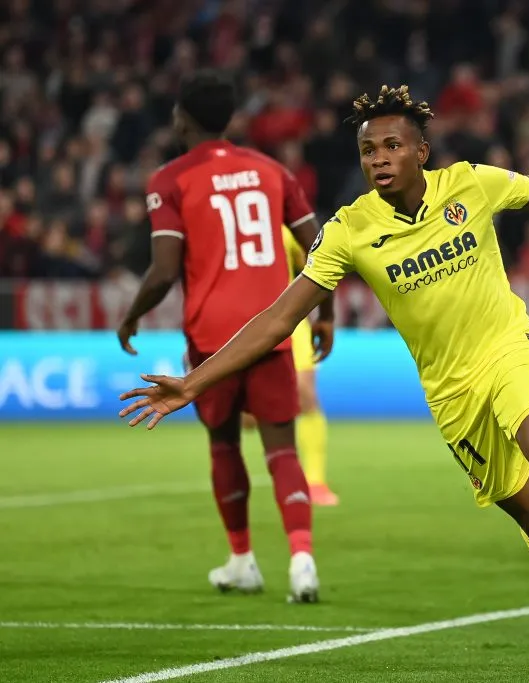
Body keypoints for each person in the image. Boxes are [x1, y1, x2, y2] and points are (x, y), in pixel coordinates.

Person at [119, 85, 529, 674]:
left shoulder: (471, 184)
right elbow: (280, 317)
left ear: (421, 151)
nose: (379, 158)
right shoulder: (349, 230)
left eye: (392, 145)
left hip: (508, 350)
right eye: (368, 150)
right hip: (451, 393)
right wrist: (194, 382)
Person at [116, 70, 335, 603]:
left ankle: (242, 560)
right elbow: (321, 244)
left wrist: (132, 315)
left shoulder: (169, 180)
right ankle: (302, 560)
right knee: (282, 449)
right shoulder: (272, 170)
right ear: (230, 118)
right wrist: (324, 313)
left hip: (212, 339)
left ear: (180, 119)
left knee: (223, 443)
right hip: (272, 331)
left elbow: (164, 271)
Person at [242, 226, 338, 507]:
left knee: (306, 395)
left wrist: (322, 313)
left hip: (289, 321)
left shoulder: (288, 224)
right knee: (248, 419)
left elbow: (315, 262)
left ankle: (316, 482)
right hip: (243, 322)